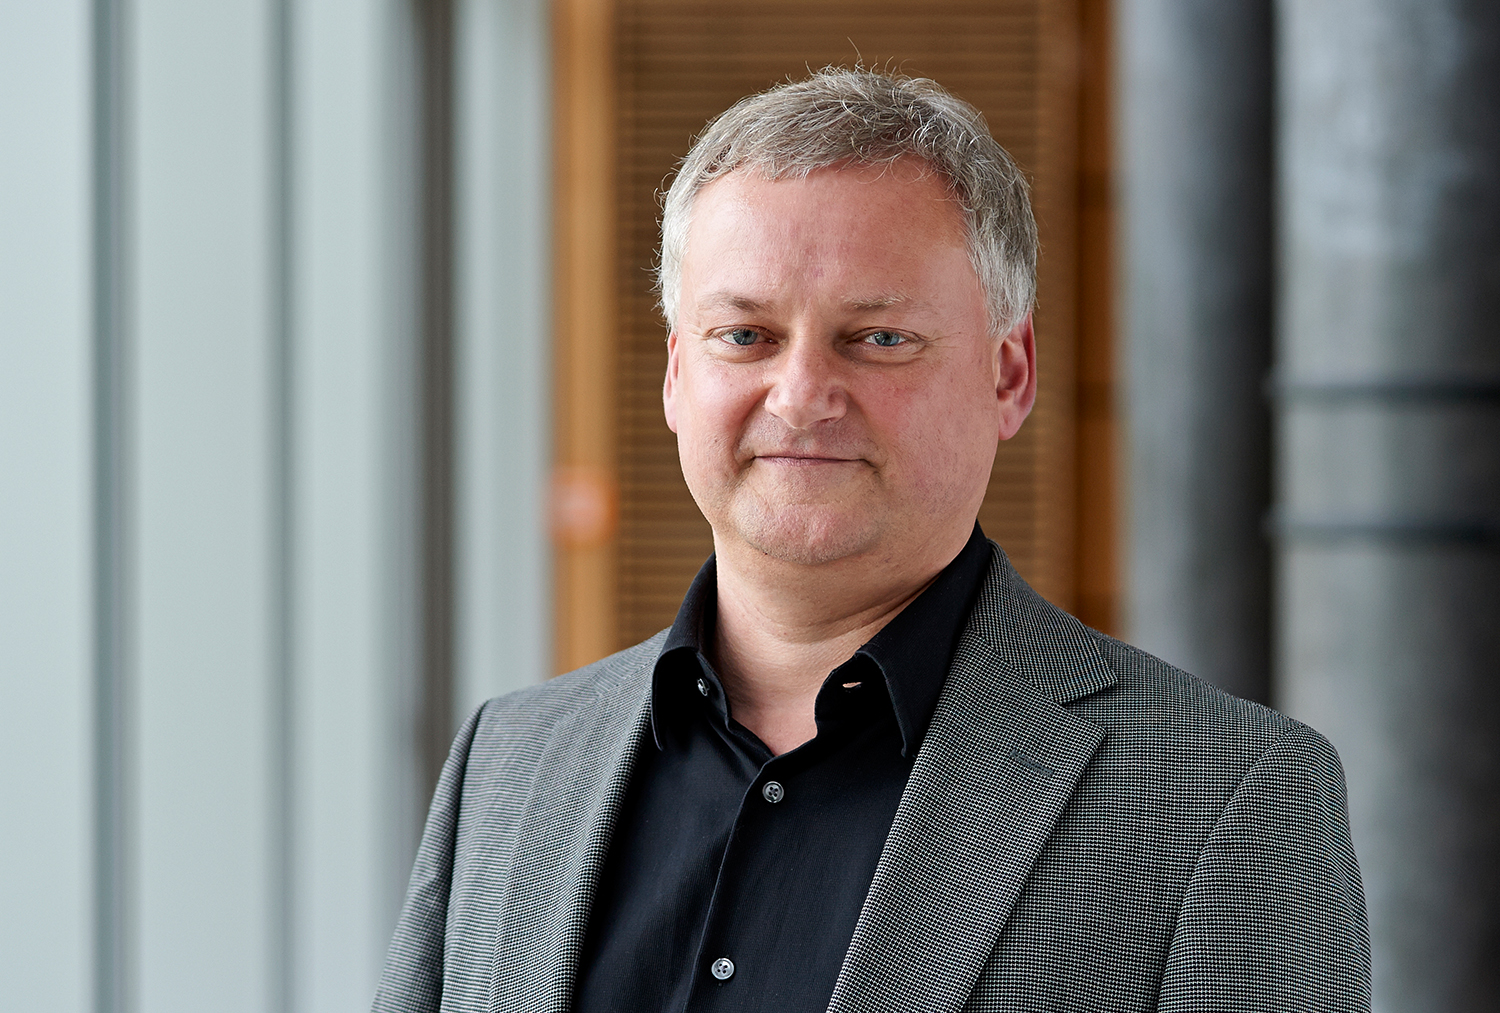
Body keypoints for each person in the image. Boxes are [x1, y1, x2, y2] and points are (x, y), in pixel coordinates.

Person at [373, 69, 1369, 1013]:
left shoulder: (1225, 799)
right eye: (746, 335)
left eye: (878, 337)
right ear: (679, 376)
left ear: (1009, 374)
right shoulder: (506, 760)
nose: (802, 395)